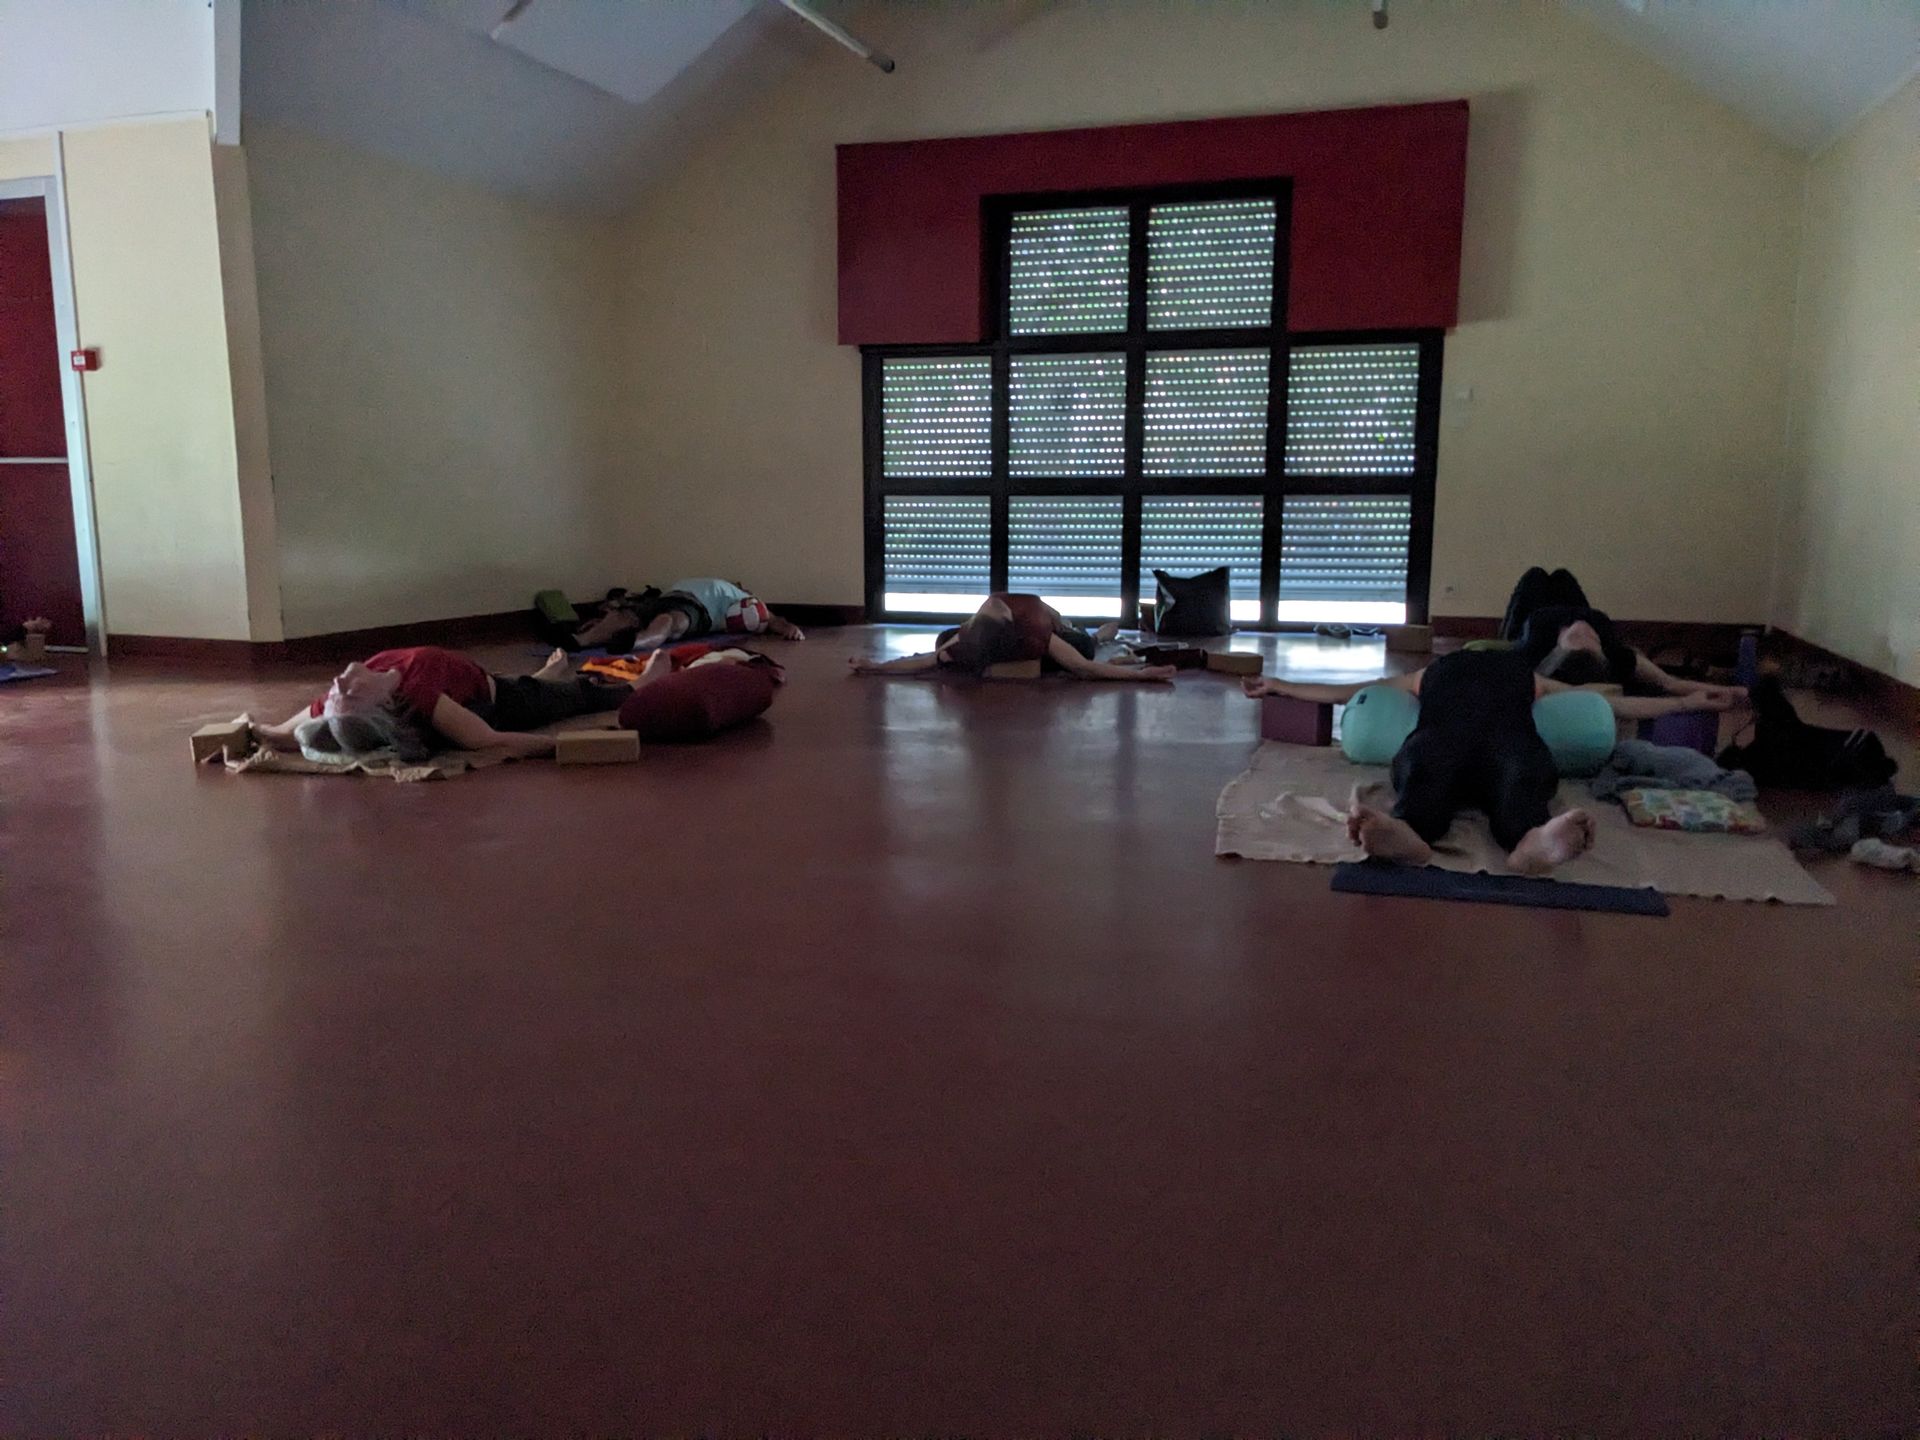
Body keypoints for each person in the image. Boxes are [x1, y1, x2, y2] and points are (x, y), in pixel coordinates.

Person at [1245, 647, 1737, 874]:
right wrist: (1681, 701)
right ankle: (1527, 842)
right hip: (1506, 743)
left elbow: (1354, 693)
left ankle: (1417, 837)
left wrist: (1683, 701)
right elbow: (1605, 702)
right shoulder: (1521, 676)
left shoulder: (1434, 673)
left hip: (1445, 739)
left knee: (1428, 775)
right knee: (1510, 781)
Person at [252, 645, 671, 760]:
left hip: (479, 679)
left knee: (531, 683)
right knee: (569, 696)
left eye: (337, 692)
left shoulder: (358, 688)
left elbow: (295, 726)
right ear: (387, 704)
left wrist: (263, 734)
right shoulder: (417, 694)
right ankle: (641, 684)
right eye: (348, 693)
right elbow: (485, 740)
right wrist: (557, 745)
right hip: (499, 700)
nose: (339, 683)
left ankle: (543, 676)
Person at [1499, 566, 1744, 703]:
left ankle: (1508, 629)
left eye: (1576, 638)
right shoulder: (1617, 655)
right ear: (1601, 649)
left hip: (1533, 614)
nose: (1582, 628)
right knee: (1563, 577)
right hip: (1572, 608)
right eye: (1591, 638)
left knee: (1535, 576)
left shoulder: (1533, 654)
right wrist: (1734, 692)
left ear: (1560, 648)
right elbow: (1671, 683)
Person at [848, 593, 1176, 682]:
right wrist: (875, 667)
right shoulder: (1023, 634)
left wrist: (1139, 675)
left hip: (1059, 628)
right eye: (993, 608)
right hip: (1046, 645)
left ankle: (1105, 632)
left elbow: (1086, 668)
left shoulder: (1028, 620)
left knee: (1086, 639)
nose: (992, 601)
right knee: (1088, 648)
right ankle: (1101, 636)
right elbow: (920, 661)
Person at [571, 578, 804, 652]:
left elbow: (771, 618)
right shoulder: (722, 585)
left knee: (671, 621)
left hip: (696, 609)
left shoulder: (742, 599)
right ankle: (578, 641)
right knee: (625, 615)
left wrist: (790, 629)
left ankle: (633, 642)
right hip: (667, 597)